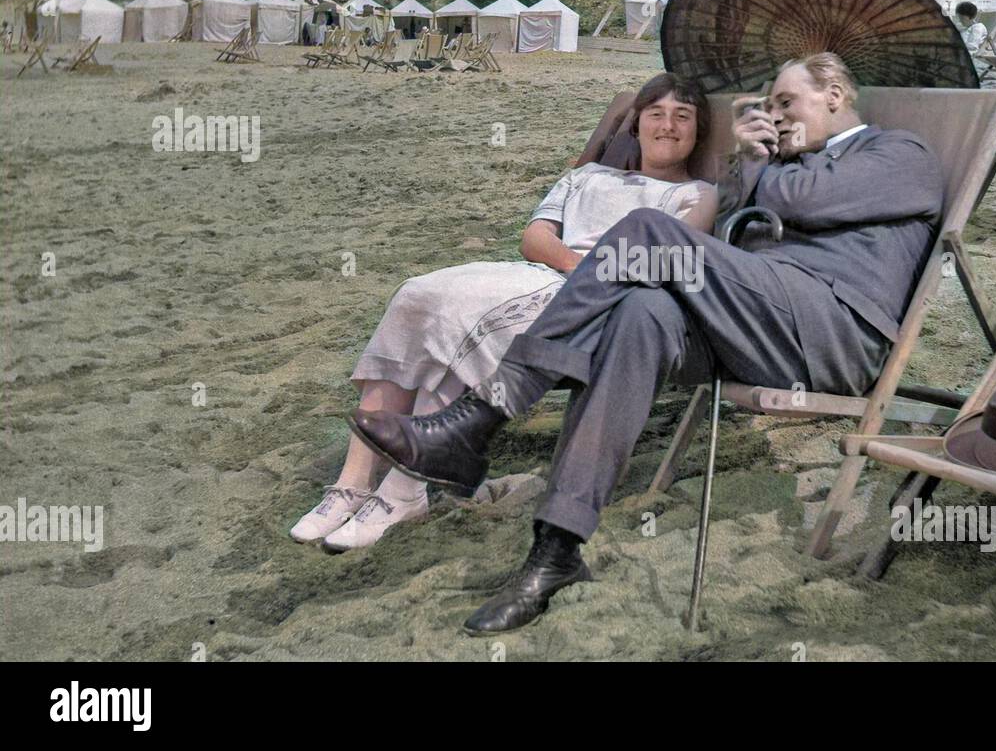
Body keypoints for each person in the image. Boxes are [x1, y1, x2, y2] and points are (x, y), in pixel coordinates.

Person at [349, 52, 942, 634]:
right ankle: (555, 550)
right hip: (760, 324)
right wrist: (748, 166)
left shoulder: (898, 153)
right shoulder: (779, 167)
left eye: (787, 102)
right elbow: (733, 239)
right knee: (642, 312)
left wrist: (757, 158)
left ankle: (481, 417)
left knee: (646, 230)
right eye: (769, 107)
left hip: (833, 332)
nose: (777, 115)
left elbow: (797, 200)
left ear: (835, 95)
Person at [291, 73, 718, 550]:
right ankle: (352, 483)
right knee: (417, 295)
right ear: (636, 125)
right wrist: (579, 265)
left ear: (698, 132)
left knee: (459, 321)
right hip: (551, 273)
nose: (668, 125)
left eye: (683, 117)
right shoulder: (586, 176)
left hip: (595, 302)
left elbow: (673, 253)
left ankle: (403, 492)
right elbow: (534, 238)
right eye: (656, 114)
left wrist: (589, 276)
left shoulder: (696, 194)